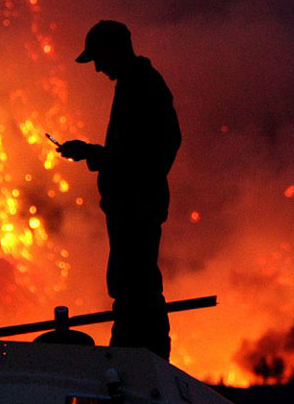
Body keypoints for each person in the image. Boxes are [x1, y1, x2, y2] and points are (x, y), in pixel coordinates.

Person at [57, 20, 180, 360]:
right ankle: (133, 351)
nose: (97, 67)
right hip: (132, 203)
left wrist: (99, 157)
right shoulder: (136, 84)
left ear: (116, 50)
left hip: (135, 206)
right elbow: (137, 150)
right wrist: (96, 154)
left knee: (135, 285)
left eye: (98, 57)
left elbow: (146, 150)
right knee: (130, 283)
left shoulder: (141, 85)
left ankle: (139, 357)